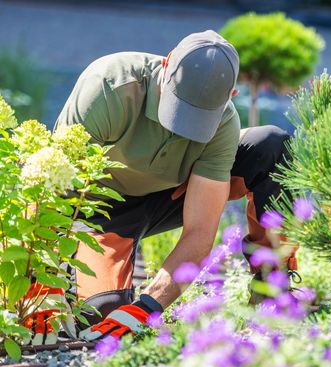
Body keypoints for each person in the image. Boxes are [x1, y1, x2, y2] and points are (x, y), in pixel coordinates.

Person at [46, 31, 297, 342]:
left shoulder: (223, 123)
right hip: (102, 208)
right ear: (165, 64)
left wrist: (148, 306)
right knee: (101, 316)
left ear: (231, 96)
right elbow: (51, 188)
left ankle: (273, 290)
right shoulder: (108, 88)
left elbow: (200, 232)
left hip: (177, 195)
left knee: (270, 146)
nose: (181, 126)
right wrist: (42, 282)